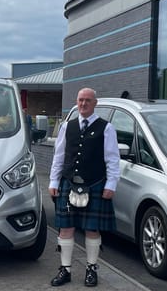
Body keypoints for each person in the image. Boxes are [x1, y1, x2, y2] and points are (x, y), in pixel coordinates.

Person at [48, 87, 120, 287]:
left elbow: (113, 159)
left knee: (92, 228)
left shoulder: (106, 128)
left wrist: (111, 184)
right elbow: (59, 156)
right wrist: (54, 181)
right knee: (65, 228)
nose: (83, 103)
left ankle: (91, 269)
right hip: (68, 183)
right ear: (76, 102)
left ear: (95, 103)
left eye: (88, 100)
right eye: (80, 100)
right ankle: (65, 270)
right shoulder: (67, 126)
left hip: (95, 183)